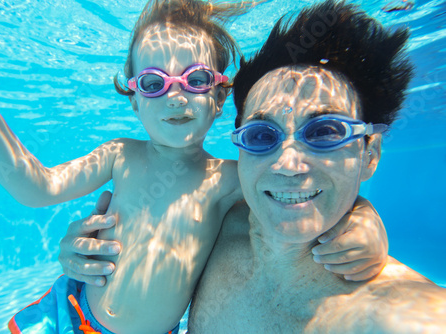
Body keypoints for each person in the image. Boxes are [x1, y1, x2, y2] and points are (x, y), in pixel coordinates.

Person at [0, 0, 387, 333]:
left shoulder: (228, 178)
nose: (176, 96)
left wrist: (368, 225)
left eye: (195, 80)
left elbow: (303, 194)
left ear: (217, 99)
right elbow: (37, 188)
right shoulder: (119, 154)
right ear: (135, 101)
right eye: (155, 84)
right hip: (68, 310)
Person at [185, 0, 446, 332]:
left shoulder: (404, 317)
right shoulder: (210, 228)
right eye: (262, 135)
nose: (288, 165)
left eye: (325, 133)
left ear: (370, 155)